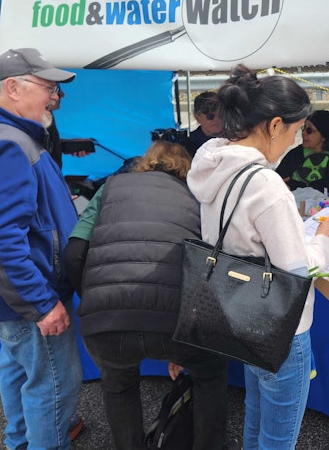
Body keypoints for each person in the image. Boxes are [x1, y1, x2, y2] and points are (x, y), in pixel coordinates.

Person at [186, 65, 329, 450]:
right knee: (277, 436)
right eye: (293, 132)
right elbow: (297, 271)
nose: (292, 141)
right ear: (274, 126)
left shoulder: (214, 165)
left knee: (257, 417)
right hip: (281, 328)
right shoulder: (265, 184)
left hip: (238, 315)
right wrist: (324, 239)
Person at [0, 47, 83, 450]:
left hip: (8, 297)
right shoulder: (8, 144)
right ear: (12, 88)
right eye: (49, 87)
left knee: (18, 368)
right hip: (26, 295)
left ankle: (20, 441)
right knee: (55, 384)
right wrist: (41, 303)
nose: (56, 97)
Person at [64, 140, 232, 450]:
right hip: (175, 319)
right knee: (208, 374)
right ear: (186, 168)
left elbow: (74, 254)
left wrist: (94, 299)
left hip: (107, 321)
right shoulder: (198, 196)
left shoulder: (111, 187)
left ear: (145, 162)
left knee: (119, 386)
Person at [275, 109, 329, 197]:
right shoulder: (294, 155)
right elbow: (276, 183)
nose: (304, 133)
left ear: (324, 136)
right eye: (303, 128)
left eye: (309, 130)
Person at [184, 91, 223, 157]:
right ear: (197, 117)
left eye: (221, 115)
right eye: (210, 116)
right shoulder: (188, 145)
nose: (216, 120)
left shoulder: (234, 139)